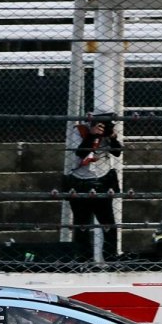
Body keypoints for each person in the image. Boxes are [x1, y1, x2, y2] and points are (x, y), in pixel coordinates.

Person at [65, 110, 123, 260]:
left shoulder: (108, 133)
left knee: (108, 223)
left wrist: (112, 137)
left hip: (102, 180)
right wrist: (92, 135)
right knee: (82, 224)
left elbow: (117, 152)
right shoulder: (80, 131)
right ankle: (84, 259)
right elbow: (80, 153)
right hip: (81, 180)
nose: (103, 127)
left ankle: (110, 257)